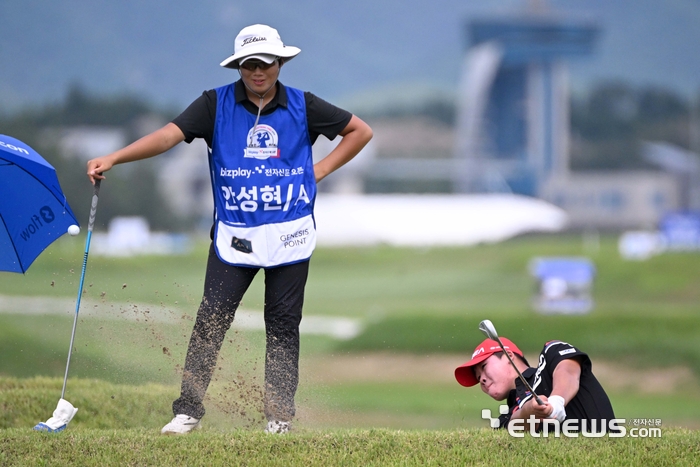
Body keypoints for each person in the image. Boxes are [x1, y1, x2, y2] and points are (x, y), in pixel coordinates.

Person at [87, 24, 373, 435]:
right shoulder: (213, 104)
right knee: (211, 320)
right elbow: (169, 137)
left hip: (289, 234)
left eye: (267, 64)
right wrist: (115, 157)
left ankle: (278, 418)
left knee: (282, 326)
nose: (259, 72)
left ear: (280, 63)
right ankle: (187, 411)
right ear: (239, 66)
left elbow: (360, 131)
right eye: (250, 65)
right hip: (235, 235)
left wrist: (320, 170)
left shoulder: (303, 106)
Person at [454, 337, 616, 432]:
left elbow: (567, 370)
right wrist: (530, 411)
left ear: (508, 355)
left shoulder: (550, 355)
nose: (481, 379)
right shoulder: (504, 418)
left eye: (483, 367)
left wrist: (557, 401)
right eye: (478, 377)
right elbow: (515, 425)